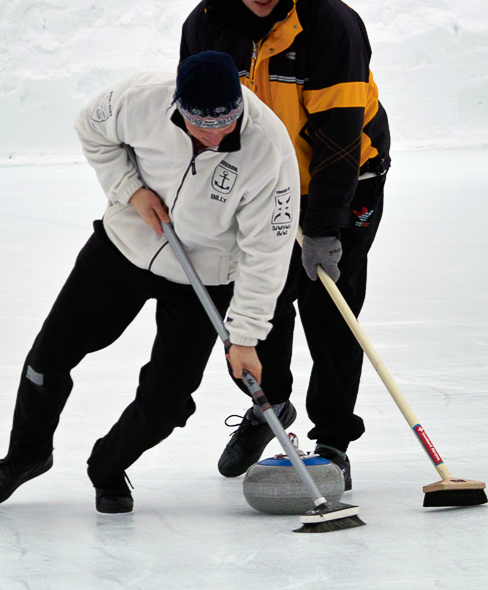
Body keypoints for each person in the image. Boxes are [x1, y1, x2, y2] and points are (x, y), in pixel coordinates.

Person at [0, 51, 299, 513]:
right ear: (178, 106)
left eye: (225, 123)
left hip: (207, 275)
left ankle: (107, 466)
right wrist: (130, 190)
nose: (214, 135)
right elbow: (91, 129)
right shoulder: (142, 98)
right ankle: (25, 457)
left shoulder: (269, 150)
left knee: (165, 402)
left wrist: (243, 336)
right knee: (47, 359)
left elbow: (268, 253)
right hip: (125, 245)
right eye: (200, 124)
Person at [180, 0, 391, 489]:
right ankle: (270, 408)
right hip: (262, 188)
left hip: (345, 181)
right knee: (259, 303)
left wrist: (323, 227)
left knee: (332, 311)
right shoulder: (207, 24)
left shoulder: (332, 25)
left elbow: (341, 138)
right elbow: (200, 117)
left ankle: (332, 440)